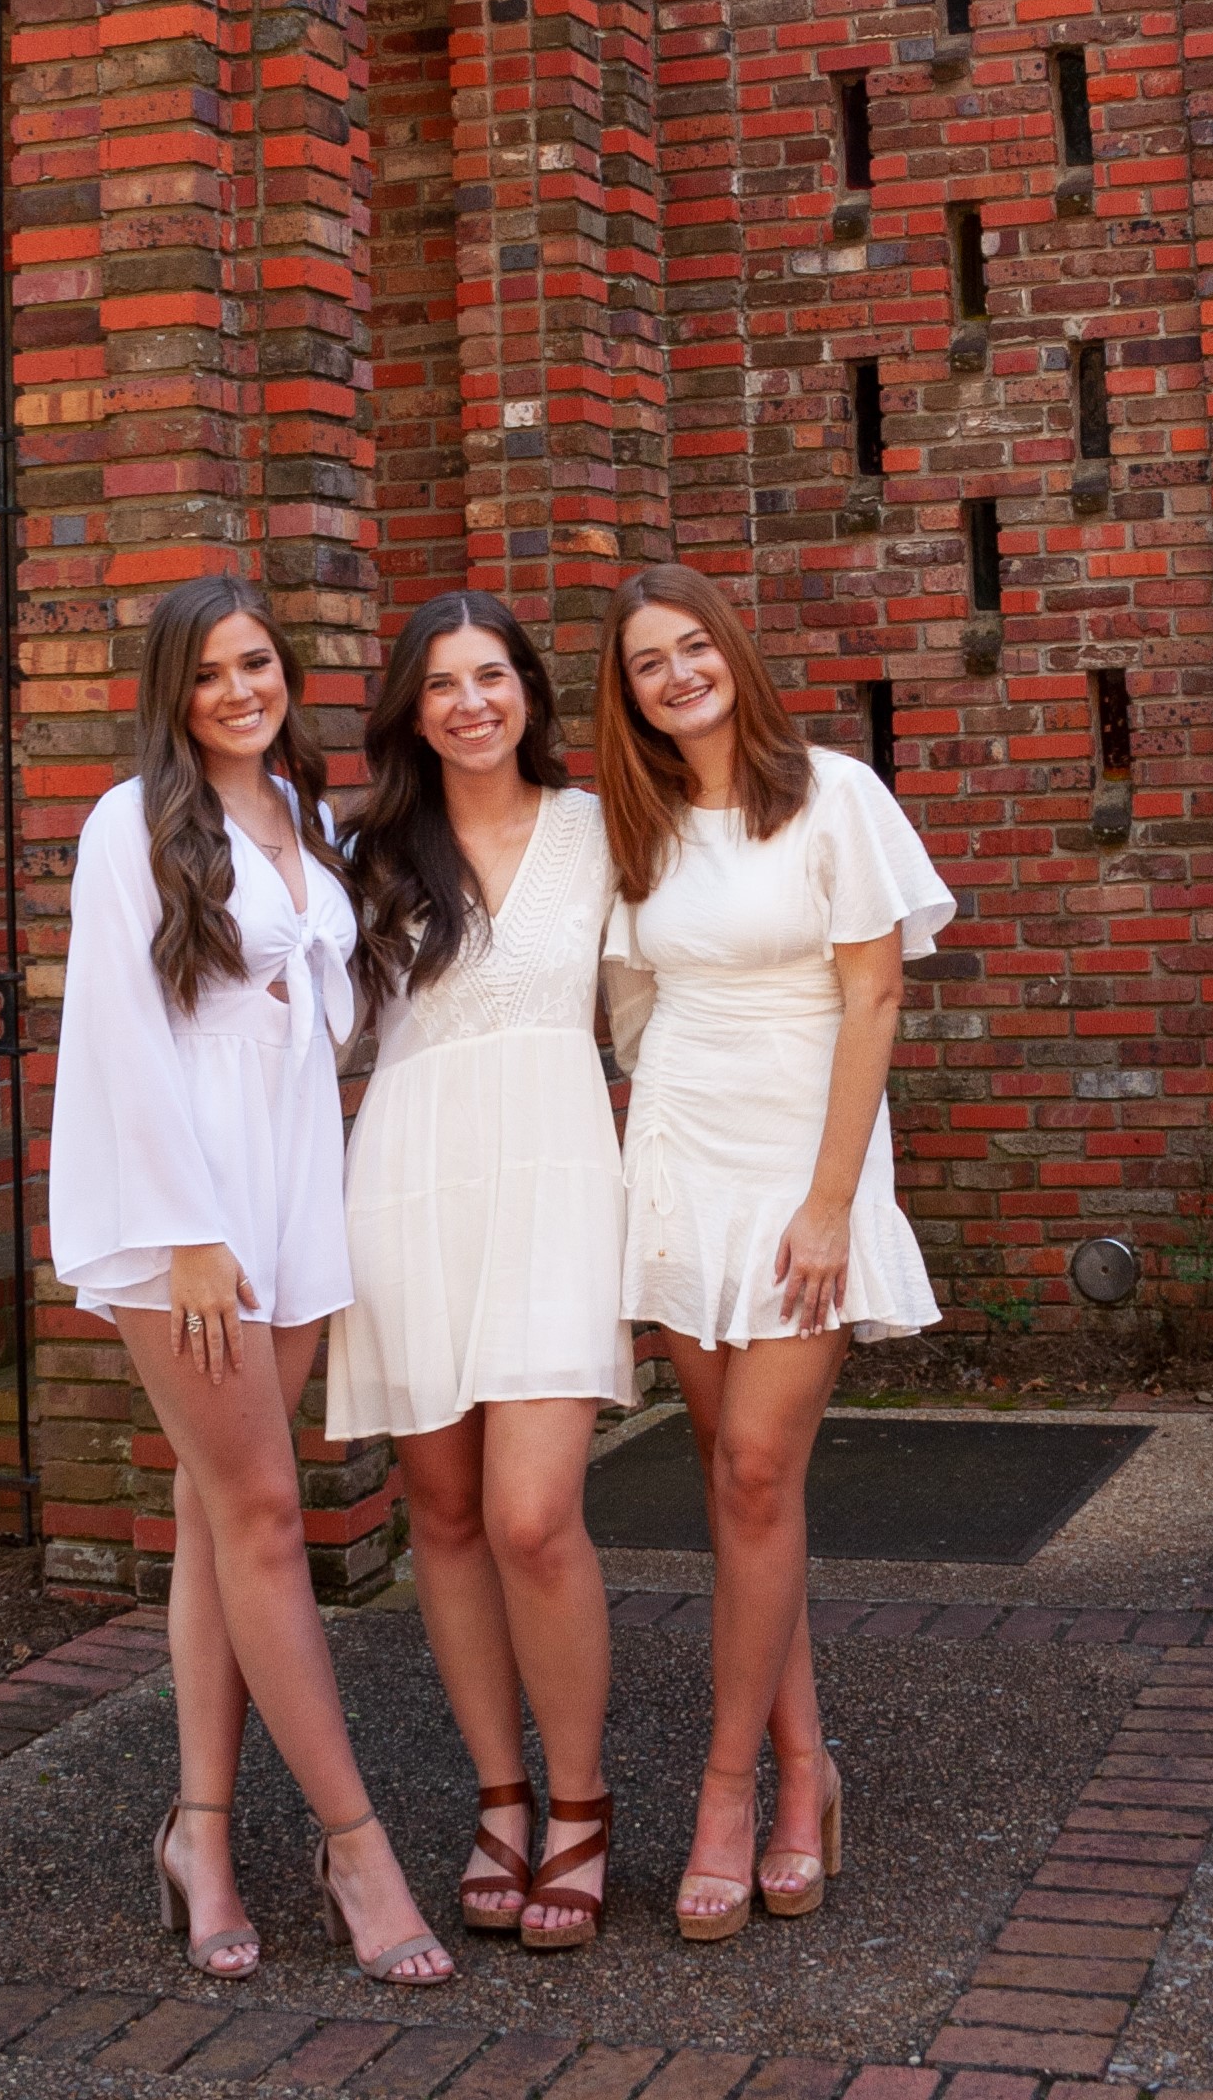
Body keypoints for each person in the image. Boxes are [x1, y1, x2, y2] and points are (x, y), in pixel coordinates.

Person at [48, 575, 452, 1987]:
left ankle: (201, 1834)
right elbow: (119, 1034)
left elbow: (334, 1017)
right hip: (189, 1213)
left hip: (291, 1190)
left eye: (258, 663)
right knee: (268, 1514)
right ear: (174, 690)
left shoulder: (316, 822)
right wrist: (186, 1229)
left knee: (218, 1510)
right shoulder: (130, 824)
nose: (238, 689)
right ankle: (357, 1846)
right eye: (210, 671)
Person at [595, 565, 955, 1941]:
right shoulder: (634, 830)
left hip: (806, 1166)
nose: (677, 673)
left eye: (694, 648)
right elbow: (632, 1007)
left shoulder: (831, 794)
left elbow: (872, 992)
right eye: (646, 662)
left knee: (754, 1471)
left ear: (733, 655)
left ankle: (726, 1794)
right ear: (622, 691)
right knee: (741, 1489)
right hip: (683, 1160)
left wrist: (828, 1199)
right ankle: (808, 1776)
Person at [330, 592, 634, 1952]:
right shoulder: (366, 850)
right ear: (409, 709)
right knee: (441, 1518)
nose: (469, 702)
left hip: (556, 1185)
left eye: (492, 676)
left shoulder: (597, 831)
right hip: (406, 1186)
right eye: (442, 683)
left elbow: (655, 1010)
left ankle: (582, 1802)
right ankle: (498, 1799)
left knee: (530, 1518)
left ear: (528, 693)